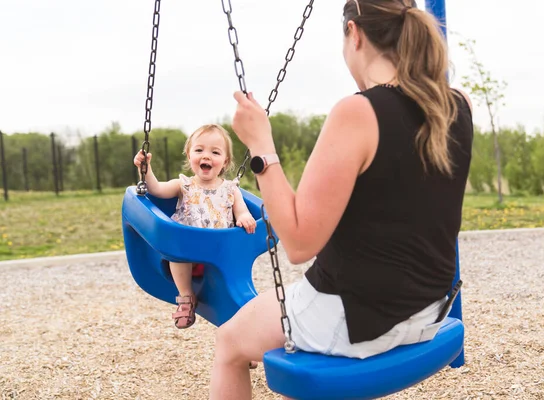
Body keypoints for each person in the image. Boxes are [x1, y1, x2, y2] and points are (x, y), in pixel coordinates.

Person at [209, 0, 474, 398]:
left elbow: (298, 244)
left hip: (357, 317)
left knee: (230, 341)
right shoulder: (458, 104)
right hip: (429, 310)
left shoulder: (357, 113)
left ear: (354, 33)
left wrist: (260, 144)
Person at [133, 124, 256, 329]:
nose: (206, 156)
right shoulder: (183, 185)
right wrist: (145, 170)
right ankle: (186, 296)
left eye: (215, 152)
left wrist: (244, 218)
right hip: (188, 251)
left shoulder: (231, 190)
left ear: (224, 161)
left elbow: (242, 211)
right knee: (177, 255)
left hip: (218, 253)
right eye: (199, 150)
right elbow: (156, 190)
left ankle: (239, 332)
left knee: (230, 295)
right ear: (189, 155)